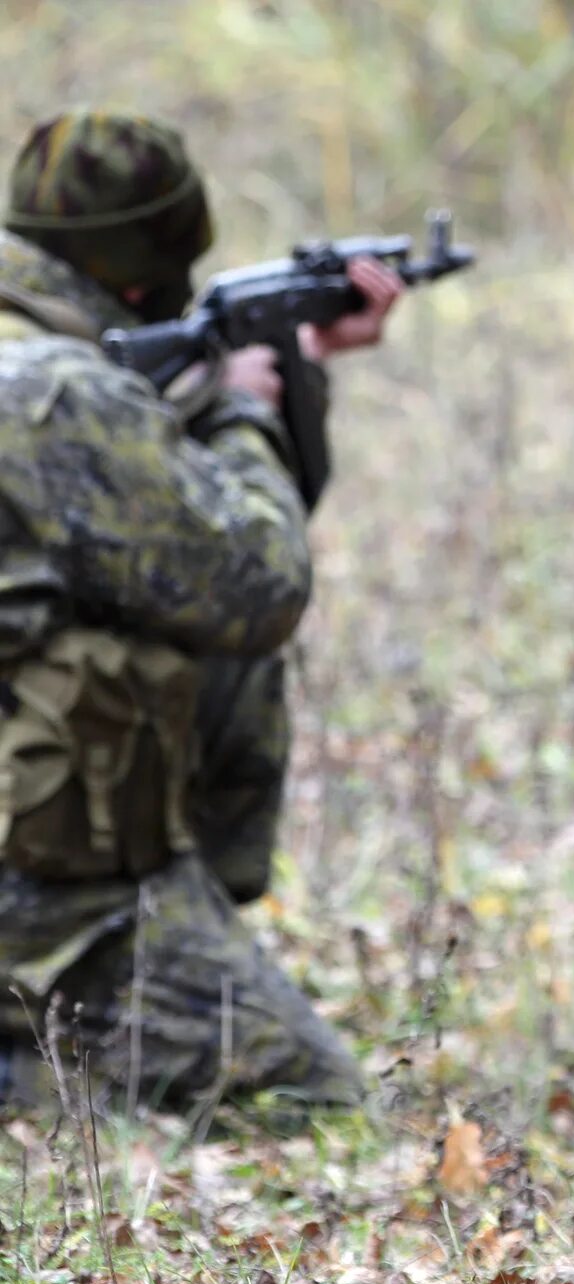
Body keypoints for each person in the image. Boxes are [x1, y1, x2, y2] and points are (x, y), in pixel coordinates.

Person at [0, 109, 402, 1116]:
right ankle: (28, 1068)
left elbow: (128, 526)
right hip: (42, 879)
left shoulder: (46, 361)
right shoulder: (56, 389)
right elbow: (252, 586)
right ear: (145, 273)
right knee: (306, 1099)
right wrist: (244, 406)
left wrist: (285, 368)